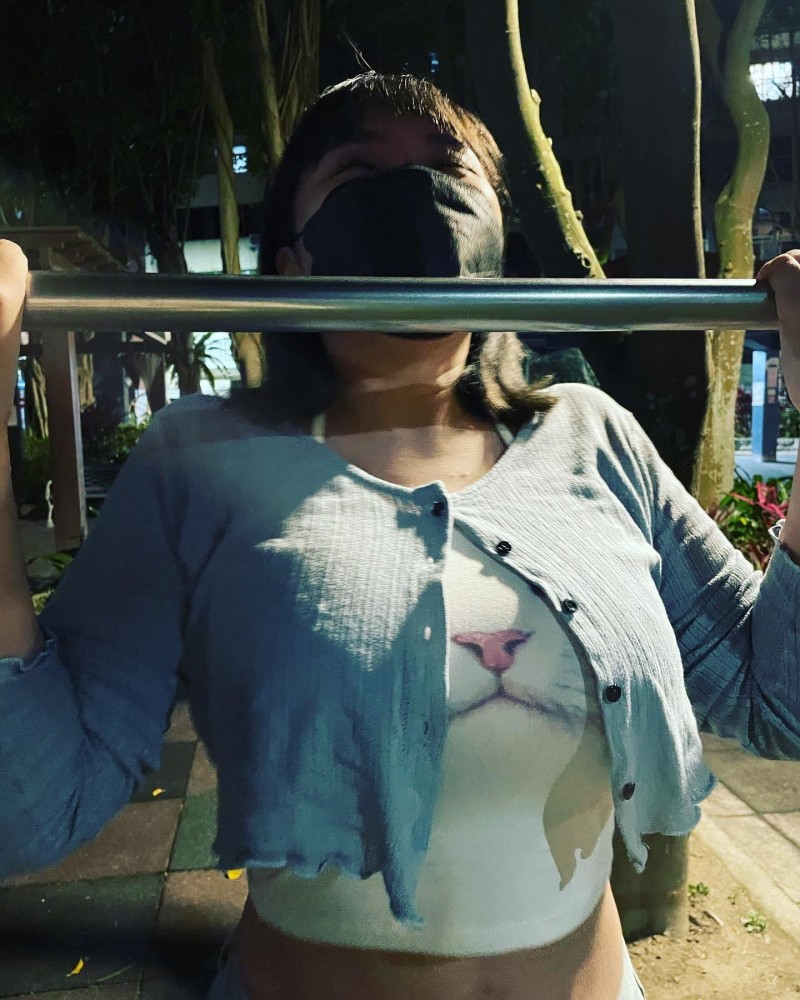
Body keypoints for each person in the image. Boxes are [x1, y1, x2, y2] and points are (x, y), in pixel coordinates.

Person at [0, 72, 799, 1000]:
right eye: (357, 173)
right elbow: (36, 809)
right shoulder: (201, 461)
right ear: (291, 262)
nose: (416, 201)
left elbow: (777, 702)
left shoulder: (592, 435)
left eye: (448, 172)